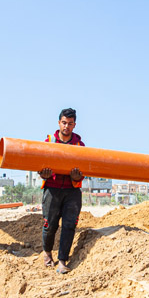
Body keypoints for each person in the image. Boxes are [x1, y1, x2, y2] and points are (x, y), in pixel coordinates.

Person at [39, 108, 84, 274]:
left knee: (69, 226)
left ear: (74, 125)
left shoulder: (79, 146)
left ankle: (62, 260)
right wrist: (43, 174)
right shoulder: (49, 142)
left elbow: (84, 170)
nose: (66, 126)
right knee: (49, 225)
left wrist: (77, 177)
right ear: (59, 123)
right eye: (64, 123)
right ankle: (47, 252)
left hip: (72, 192)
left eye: (70, 124)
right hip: (52, 189)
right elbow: (40, 165)